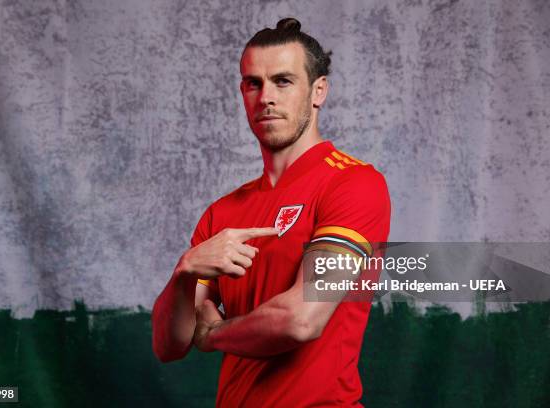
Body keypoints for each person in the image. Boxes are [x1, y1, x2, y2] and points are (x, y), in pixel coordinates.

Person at [152, 17, 391, 407]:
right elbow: (169, 345)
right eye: (253, 83)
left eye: (283, 81)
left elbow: (301, 320)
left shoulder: (354, 185)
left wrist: (212, 334)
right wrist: (185, 271)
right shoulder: (222, 212)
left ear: (318, 91)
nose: (266, 97)